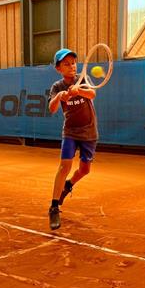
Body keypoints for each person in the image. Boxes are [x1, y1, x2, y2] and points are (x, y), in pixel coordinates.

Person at [47, 48, 98, 230]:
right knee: (64, 166)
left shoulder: (83, 80)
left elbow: (92, 94)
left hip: (89, 132)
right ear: (59, 68)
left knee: (84, 170)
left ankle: (68, 186)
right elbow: (51, 108)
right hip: (70, 132)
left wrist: (79, 91)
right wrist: (60, 96)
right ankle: (54, 207)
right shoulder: (57, 86)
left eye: (73, 63)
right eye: (66, 64)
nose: (71, 66)